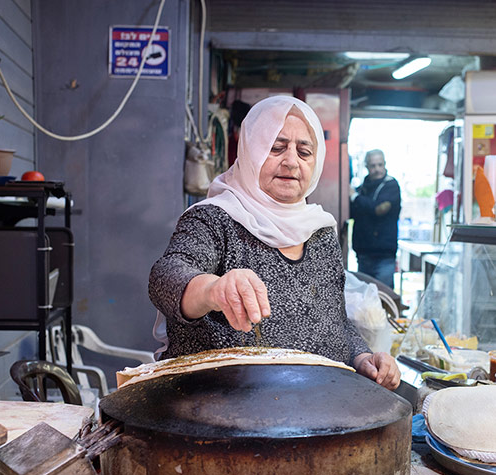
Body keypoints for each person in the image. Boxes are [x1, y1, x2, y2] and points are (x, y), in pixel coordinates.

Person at [149, 96, 400, 390]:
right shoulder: (214, 219)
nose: (291, 161)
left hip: (314, 409)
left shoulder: (319, 231)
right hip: (219, 409)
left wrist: (362, 357)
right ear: (251, 151)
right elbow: (165, 277)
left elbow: (334, 322)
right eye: (275, 147)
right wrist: (213, 290)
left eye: (304, 152)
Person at [350, 149, 401, 287]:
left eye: (380, 164)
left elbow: (379, 209)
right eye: (373, 166)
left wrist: (355, 198)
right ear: (367, 167)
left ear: (385, 164)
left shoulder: (391, 186)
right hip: (363, 254)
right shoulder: (362, 188)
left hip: (384, 256)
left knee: (384, 301)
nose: (377, 169)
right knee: (365, 302)